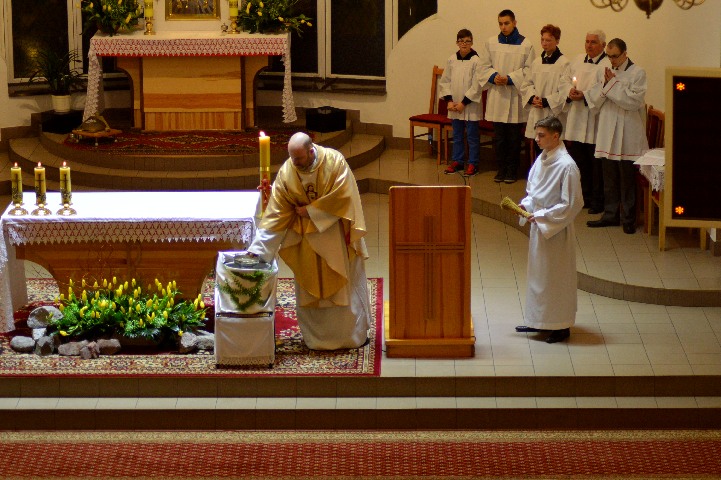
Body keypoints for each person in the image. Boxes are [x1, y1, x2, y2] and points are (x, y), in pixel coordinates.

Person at [247, 132, 371, 350]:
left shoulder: (334, 162)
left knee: (342, 288)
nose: (295, 163)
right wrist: (258, 250)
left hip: (334, 235)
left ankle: (350, 337)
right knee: (309, 287)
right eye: (292, 158)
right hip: (305, 239)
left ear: (311, 151)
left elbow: (343, 196)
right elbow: (277, 213)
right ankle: (316, 339)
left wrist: (312, 211)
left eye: (299, 158)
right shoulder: (288, 171)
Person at [514, 116, 583, 343]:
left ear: (556, 136)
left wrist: (543, 215)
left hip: (556, 230)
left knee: (555, 279)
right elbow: (534, 191)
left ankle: (560, 326)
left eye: (541, 135)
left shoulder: (567, 166)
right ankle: (539, 320)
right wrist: (526, 205)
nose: (537, 139)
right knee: (539, 277)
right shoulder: (543, 158)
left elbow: (572, 204)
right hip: (540, 229)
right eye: (536, 134)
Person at [586, 38, 648, 235]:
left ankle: (629, 218)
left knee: (626, 178)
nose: (611, 60)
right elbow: (594, 101)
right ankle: (610, 215)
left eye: (614, 56)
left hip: (628, 131)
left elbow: (632, 102)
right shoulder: (604, 71)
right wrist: (606, 86)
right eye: (609, 56)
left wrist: (611, 85)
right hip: (607, 129)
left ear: (624, 54)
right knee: (609, 176)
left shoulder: (638, 73)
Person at [478, 9, 536, 184]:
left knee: (513, 137)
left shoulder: (526, 44)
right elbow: (483, 67)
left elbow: (530, 70)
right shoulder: (491, 43)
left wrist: (510, 78)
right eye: (500, 24)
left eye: (506, 23)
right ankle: (501, 169)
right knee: (499, 137)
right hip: (497, 96)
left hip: (514, 97)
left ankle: (512, 170)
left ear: (514, 23)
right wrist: (493, 77)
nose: (503, 27)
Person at [561, 30, 611, 215]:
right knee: (579, 160)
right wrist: (569, 91)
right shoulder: (577, 60)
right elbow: (564, 80)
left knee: (595, 163)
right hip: (577, 118)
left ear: (603, 45)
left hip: (594, 119)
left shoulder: (607, 65)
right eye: (587, 41)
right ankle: (584, 196)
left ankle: (597, 200)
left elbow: (604, 88)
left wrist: (586, 95)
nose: (589, 45)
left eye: (593, 42)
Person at [440, 28, 483, 177]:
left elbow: (477, 85)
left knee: (472, 136)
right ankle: (458, 161)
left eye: (467, 41)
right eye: (461, 41)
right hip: (454, 106)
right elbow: (445, 81)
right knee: (457, 135)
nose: (464, 44)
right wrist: (449, 101)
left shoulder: (476, 61)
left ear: (472, 42)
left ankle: (473, 163)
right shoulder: (452, 59)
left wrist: (463, 103)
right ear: (457, 43)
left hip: (470, 106)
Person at [520, 24, 570, 152]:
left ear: (557, 41)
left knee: (553, 150)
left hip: (552, 112)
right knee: (538, 149)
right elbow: (526, 84)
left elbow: (565, 91)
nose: (544, 43)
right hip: (537, 111)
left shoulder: (563, 63)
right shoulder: (536, 62)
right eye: (542, 39)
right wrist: (532, 98)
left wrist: (546, 101)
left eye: (548, 40)